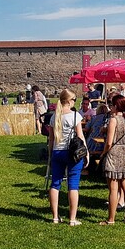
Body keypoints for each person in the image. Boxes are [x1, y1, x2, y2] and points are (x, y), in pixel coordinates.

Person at [48, 88, 87, 225]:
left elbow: (51, 139)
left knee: (55, 183)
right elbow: (80, 136)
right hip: (72, 152)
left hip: (57, 151)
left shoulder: (54, 116)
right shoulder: (75, 116)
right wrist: (86, 152)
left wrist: (50, 154)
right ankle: (72, 218)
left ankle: (55, 217)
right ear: (69, 101)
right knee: (73, 185)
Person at [99, 96, 125, 225]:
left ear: (115, 106)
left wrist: (103, 153)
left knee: (113, 188)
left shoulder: (114, 120)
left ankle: (111, 219)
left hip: (114, 154)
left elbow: (109, 142)